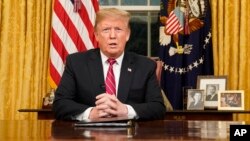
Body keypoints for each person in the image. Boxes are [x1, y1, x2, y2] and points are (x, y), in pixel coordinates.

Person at [52, 8, 166, 121]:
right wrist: (90, 113)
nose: (112, 35)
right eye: (106, 30)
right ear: (96, 35)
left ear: (127, 35)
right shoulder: (76, 63)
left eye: (118, 29)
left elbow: (158, 108)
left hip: (130, 135)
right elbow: (60, 104)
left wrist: (126, 111)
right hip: (87, 135)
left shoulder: (145, 66)